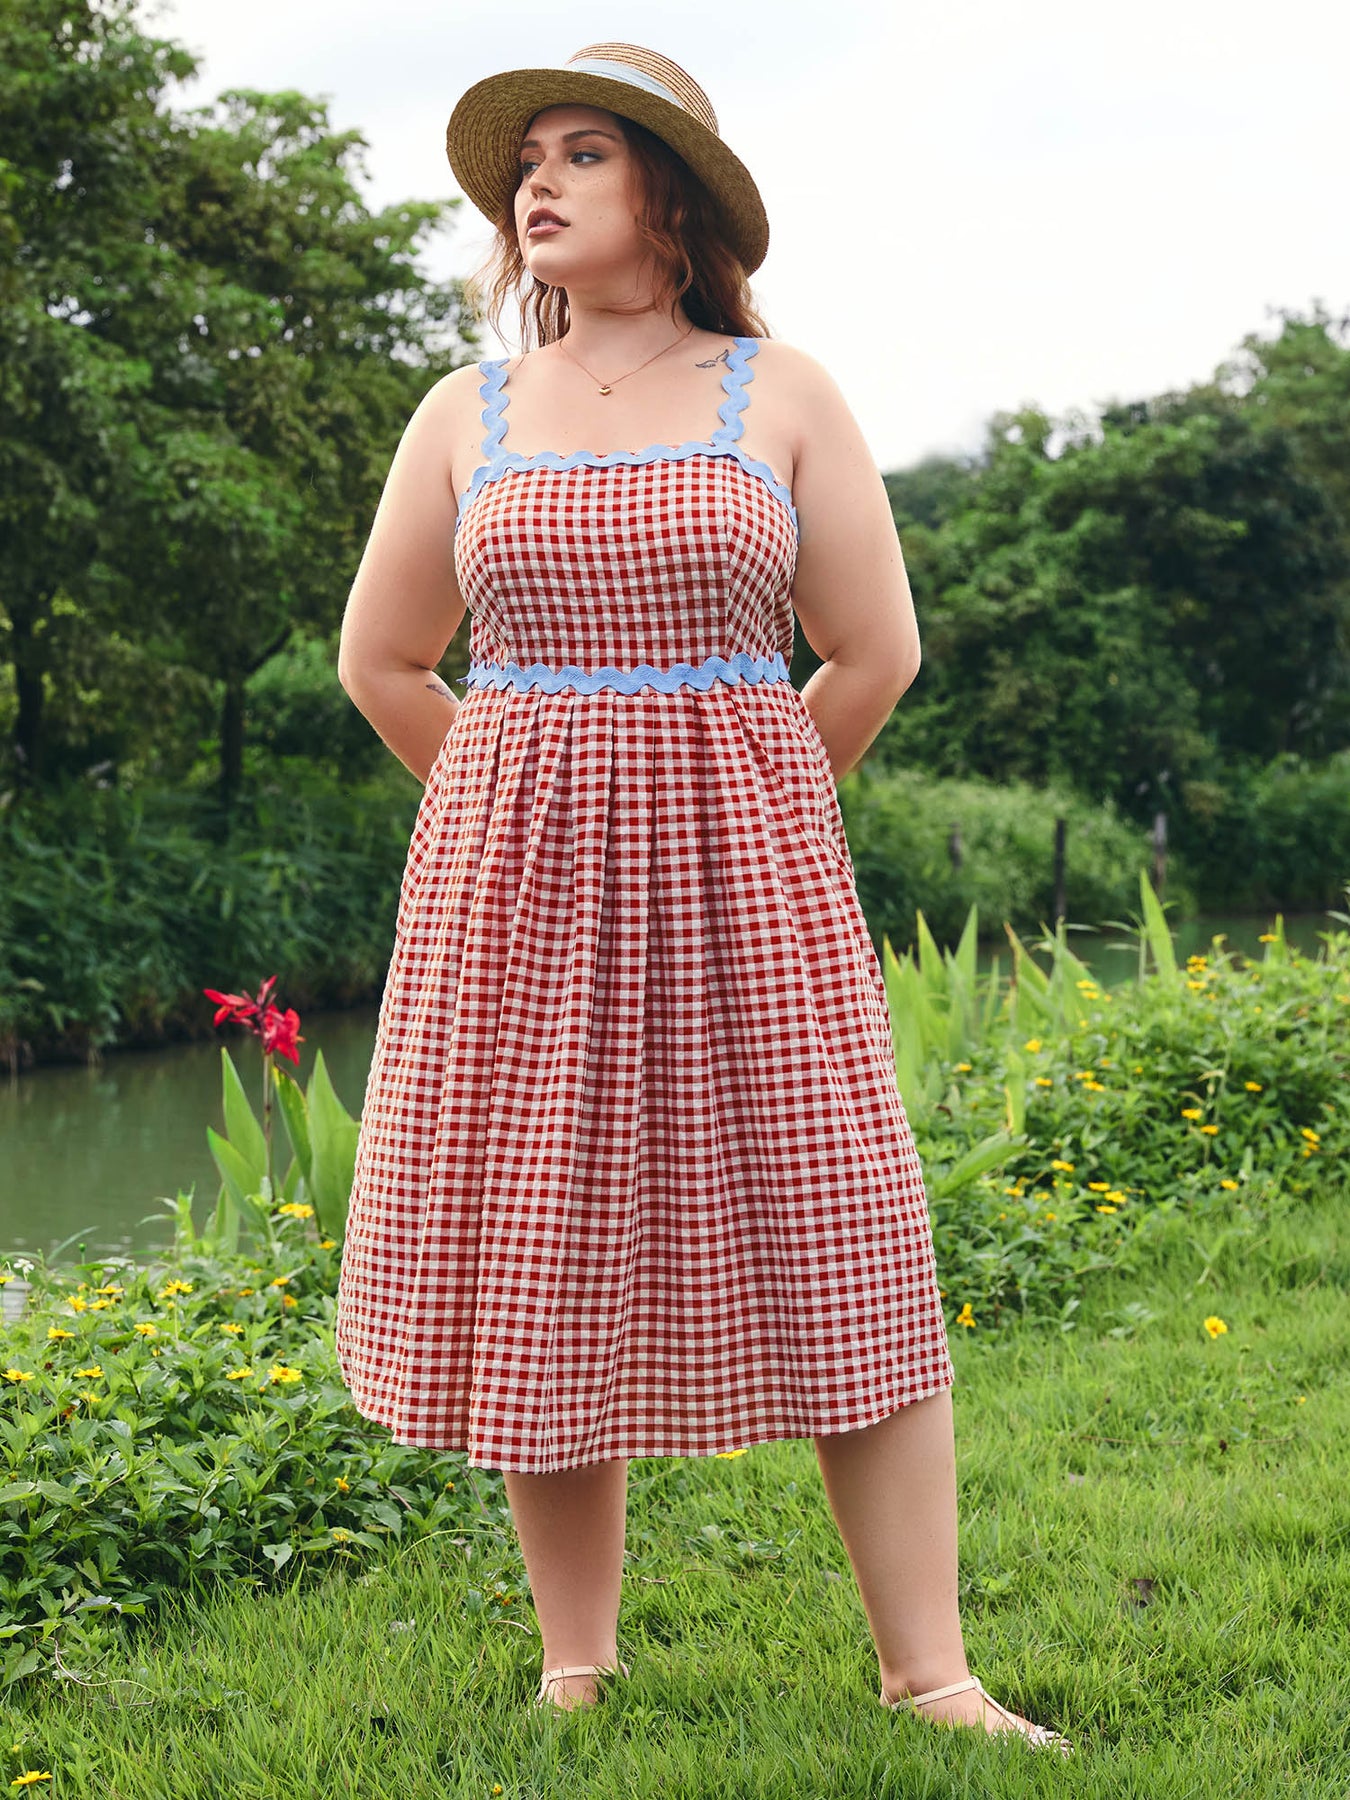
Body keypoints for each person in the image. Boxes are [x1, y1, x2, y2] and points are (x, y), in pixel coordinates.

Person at [333, 42, 1073, 1756]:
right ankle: (574, 1665)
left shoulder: (781, 392)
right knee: (545, 1236)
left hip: (750, 885)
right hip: (516, 905)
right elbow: (383, 661)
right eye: (525, 159)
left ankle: (929, 1674)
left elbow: (872, 651)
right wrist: (511, 818)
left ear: (670, 195)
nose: (536, 182)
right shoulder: (462, 414)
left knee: (840, 1235)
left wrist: (747, 810)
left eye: (581, 152)